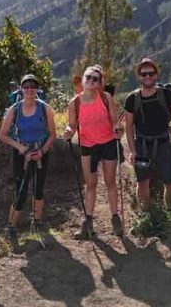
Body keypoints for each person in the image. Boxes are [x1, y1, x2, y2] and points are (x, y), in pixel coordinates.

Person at [64, 66, 124, 239]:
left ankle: (115, 218)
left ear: (100, 83)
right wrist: (69, 130)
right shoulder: (74, 102)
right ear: (83, 79)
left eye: (95, 79)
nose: (91, 80)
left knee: (110, 181)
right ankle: (88, 222)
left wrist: (117, 128)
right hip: (88, 146)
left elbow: (113, 120)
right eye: (88, 77)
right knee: (90, 184)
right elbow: (73, 124)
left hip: (108, 143)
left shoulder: (106, 98)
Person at [124, 58, 171, 211]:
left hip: (163, 144)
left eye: (151, 73)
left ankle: (170, 213)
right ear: (138, 76)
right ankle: (145, 214)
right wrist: (133, 151)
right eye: (144, 74)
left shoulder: (166, 94)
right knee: (142, 182)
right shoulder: (132, 99)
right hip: (141, 145)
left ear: (156, 75)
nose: (147, 77)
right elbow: (128, 126)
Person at [0, 74, 57, 249]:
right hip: (20, 154)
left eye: (33, 86)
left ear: (37, 89)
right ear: (21, 89)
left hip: (41, 152)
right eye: (26, 86)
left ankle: (37, 222)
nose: (30, 89)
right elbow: (2, 135)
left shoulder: (45, 109)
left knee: (38, 189)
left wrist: (43, 150)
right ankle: (12, 227)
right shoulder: (14, 110)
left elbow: (53, 133)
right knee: (21, 191)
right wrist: (21, 148)